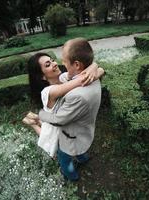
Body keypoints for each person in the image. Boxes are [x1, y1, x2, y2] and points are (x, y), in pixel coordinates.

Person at [38, 38, 102, 181]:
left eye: (64, 62)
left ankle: (72, 176)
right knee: (81, 150)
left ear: (77, 64)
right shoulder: (92, 76)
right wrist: (94, 66)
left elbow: (59, 120)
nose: (61, 65)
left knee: (65, 160)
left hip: (70, 135)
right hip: (84, 129)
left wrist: (41, 114)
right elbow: (69, 78)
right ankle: (84, 159)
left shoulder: (77, 96)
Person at [23, 51, 104, 158]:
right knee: (64, 157)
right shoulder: (49, 92)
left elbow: (98, 71)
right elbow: (83, 79)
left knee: (77, 148)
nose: (55, 63)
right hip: (58, 132)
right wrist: (94, 67)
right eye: (48, 64)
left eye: (52, 60)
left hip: (69, 125)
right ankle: (33, 123)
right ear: (42, 76)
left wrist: (95, 67)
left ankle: (36, 120)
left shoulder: (64, 77)